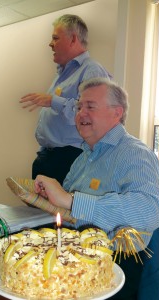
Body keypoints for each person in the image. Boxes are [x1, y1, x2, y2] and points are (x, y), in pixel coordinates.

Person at [34, 77, 159, 300]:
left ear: (117, 113)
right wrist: (46, 199)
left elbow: (151, 211)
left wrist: (71, 201)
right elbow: (68, 211)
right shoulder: (83, 157)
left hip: (115, 264)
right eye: (79, 107)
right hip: (74, 251)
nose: (80, 113)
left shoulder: (135, 153)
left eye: (90, 107)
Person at [20, 14, 112, 185]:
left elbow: (92, 115)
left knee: (63, 212)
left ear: (73, 39)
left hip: (69, 160)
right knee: (39, 212)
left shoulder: (91, 70)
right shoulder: (63, 74)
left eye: (55, 38)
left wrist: (52, 101)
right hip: (49, 158)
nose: (50, 44)